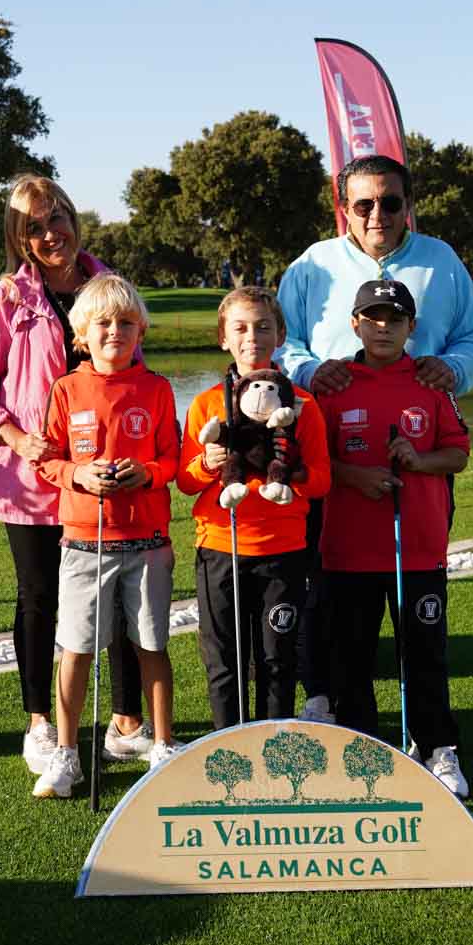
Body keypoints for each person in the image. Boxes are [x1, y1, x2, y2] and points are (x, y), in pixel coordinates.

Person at [275, 153, 473, 724]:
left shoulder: (440, 261)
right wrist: (306, 370)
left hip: (417, 456)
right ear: (343, 208)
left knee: (415, 582)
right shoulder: (312, 264)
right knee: (326, 583)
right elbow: (282, 340)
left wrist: (454, 368)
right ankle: (326, 697)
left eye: (390, 202)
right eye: (364, 204)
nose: (378, 215)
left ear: (407, 205)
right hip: (332, 454)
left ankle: (422, 717)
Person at [0, 174, 148, 779]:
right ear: (19, 237)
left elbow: (134, 365)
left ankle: (126, 722)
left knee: (116, 591)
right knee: (40, 597)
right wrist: (15, 437)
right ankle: (40, 722)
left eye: (56, 217)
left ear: (72, 217)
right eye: (33, 226)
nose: (49, 233)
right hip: (32, 475)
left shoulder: (107, 285)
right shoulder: (6, 299)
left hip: (105, 471)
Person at [31, 274, 183, 798]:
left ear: (140, 331)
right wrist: (79, 474)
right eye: (103, 324)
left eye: (125, 323)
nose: (114, 332)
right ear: (81, 335)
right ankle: (67, 752)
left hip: (147, 540)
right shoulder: (66, 388)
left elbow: (172, 459)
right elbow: (49, 459)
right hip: (83, 540)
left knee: (151, 644)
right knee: (74, 648)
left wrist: (148, 472)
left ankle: (161, 744)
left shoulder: (158, 389)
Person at [319, 279, 471, 798]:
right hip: (347, 551)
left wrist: (418, 459)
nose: (384, 327)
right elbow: (314, 461)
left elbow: (458, 453)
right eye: (373, 317)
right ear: (355, 324)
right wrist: (356, 477)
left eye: (395, 318)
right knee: (352, 658)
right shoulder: (334, 386)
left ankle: (436, 748)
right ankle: (361, 749)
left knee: (424, 652)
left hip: (417, 549)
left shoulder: (431, 383)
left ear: (411, 327)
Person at [177, 287, 330, 726]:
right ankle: (229, 750)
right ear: (223, 336)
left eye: (263, 327)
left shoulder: (302, 405)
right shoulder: (208, 404)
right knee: (225, 660)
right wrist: (208, 463)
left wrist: (294, 470)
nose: (252, 338)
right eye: (240, 328)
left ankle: (274, 751)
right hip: (221, 548)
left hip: (282, 553)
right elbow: (186, 481)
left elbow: (321, 482)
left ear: (280, 334)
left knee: (276, 659)